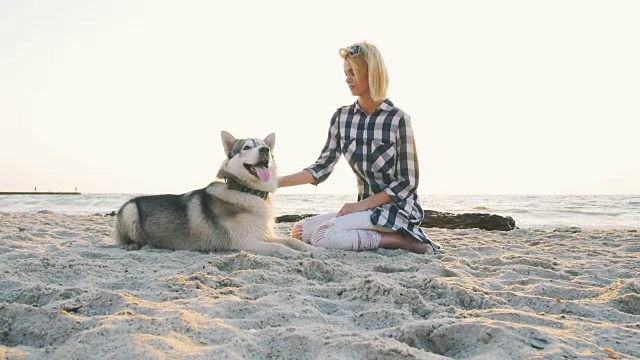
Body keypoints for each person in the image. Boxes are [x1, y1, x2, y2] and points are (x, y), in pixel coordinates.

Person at [278, 41, 440, 254]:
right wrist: (273, 183)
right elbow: (321, 168)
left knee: (321, 236)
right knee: (301, 231)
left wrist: (361, 206)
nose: (347, 79)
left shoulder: (398, 119)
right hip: (364, 210)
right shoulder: (341, 117)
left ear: (372, 73)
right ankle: (383, 235)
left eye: (353, 72)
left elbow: (407, 183)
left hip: (396, 210)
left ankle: (399, 240)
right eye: (346, 72)